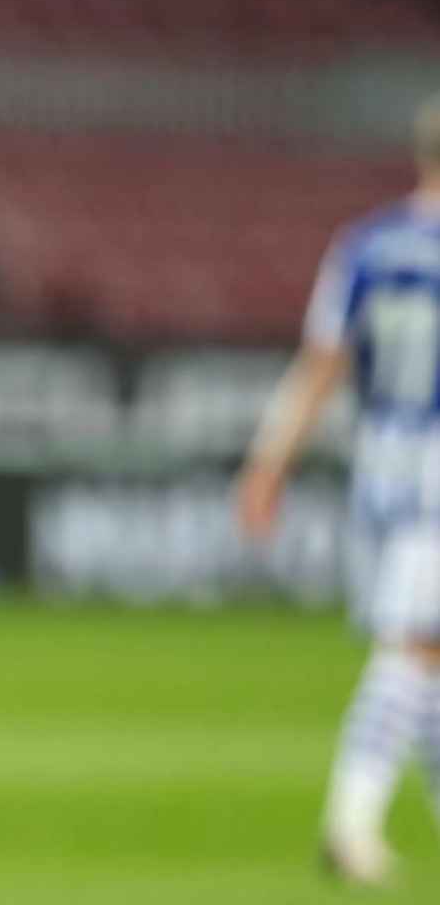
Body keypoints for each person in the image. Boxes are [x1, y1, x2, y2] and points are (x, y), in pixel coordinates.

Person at [237, 93, 440, 887]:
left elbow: (323, 365)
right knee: (412, 644)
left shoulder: (368, 244)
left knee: (429, 648)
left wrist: (267, 462)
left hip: (381, 466)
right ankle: (350, 823)